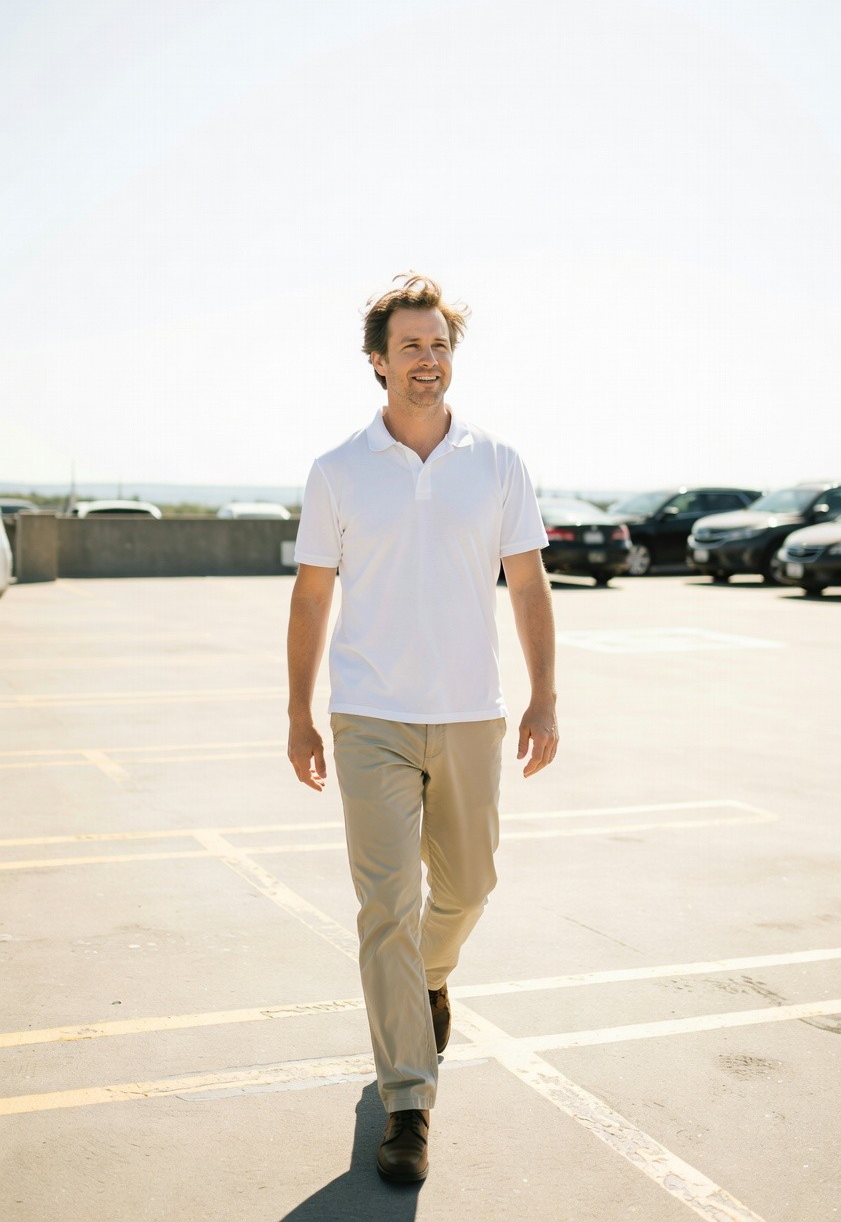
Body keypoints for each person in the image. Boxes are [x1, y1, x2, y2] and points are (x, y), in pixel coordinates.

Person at [287, 273, 558, 1184]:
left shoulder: (498, 462)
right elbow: (313, 594)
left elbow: (528, 584)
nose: (428, 361)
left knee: (471, 884)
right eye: (411, 347)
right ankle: (408, 1101)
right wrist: (299, 713)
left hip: (472, 712)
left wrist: (544, 695)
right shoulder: (337, 471)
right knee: (385, 906)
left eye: (439, 345)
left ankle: (431, 980)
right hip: (370, 716)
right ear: (378, 362)